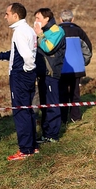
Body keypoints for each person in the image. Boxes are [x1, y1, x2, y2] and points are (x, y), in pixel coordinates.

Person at [0, 3, 38, 161]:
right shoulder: (28, 30)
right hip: (26, 75)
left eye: (7, 13)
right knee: (27, 110)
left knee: (20, 112)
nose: (5, 16)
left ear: (15, 15)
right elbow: (17, 54)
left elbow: (27, 56)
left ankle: (25, 150)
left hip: (21, 76)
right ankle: (32, 146)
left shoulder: (19, 32)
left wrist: (27, 69)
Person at [34, 8, 66, 143]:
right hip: (41, 74)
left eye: (38, 18)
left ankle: (52, 135)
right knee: (44, 105)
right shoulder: (45, 31)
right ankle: (45, 134)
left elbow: (48, 47)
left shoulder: (56, 31)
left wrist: (40, 35)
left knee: (52, 104)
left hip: (51, 74)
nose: (36, 21)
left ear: (47, 19)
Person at [58, 9, 92, 124]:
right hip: (77, 68)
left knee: (61, 94)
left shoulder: (56, 32)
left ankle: (62, 118)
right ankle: (75, 117)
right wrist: (84, 62)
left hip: (60, 68)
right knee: (75, 93)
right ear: (73, 19)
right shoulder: (79, 31)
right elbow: (87, 49)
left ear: (60, 19)